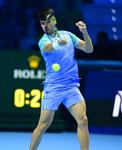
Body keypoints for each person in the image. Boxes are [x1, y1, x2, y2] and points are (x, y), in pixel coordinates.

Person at [29, 8, 93, 150]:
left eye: (47, 22)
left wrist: (84, 32)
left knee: (83, 120)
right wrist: (58, 44)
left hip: (71, 87)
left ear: (54, 21)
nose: (45, 26)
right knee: (43, 125)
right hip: (53, 87)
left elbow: (88, 49)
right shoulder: (43, 41)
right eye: (42, 23)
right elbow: (48, 48)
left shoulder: (68, 35)